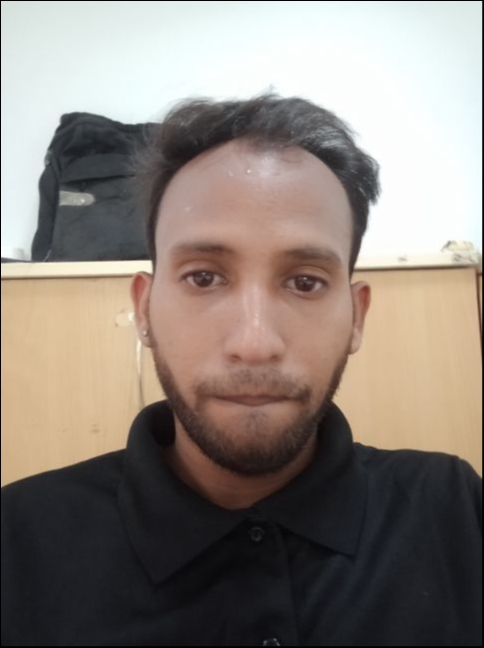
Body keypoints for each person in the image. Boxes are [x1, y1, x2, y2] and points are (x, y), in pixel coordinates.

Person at [1, 95, 481, 647]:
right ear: (144, 309)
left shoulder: (454, 511)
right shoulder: (18, 542)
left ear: (357, 317)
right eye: (204, 278)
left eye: (305, 282)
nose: (255, 344)